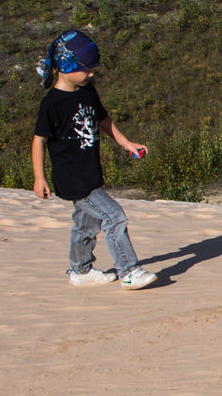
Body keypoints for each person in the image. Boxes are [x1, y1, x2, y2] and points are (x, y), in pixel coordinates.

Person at [31, 29, 157, 290]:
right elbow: (39, 140)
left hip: (90, 171)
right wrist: (39, 177)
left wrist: (126, 143)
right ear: (66, 66)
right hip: (73, 177)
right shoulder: (52, 104)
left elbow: (104, 121)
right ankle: (129, 271)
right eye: (86, 68)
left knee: (86, 223)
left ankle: (81, 270)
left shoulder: (87, 92)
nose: (91, 74)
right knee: (114, 217)